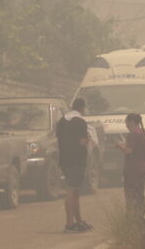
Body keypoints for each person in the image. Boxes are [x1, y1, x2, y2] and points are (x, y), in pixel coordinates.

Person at [56, 97, 94, 233]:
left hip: (64, 160)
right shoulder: (80, 122)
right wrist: (89, 140)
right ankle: (69, 223)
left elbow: (59, 139)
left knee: (75, 189)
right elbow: (82, 142)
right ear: (82, 108)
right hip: (77, 160)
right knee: (71, 190)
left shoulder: (61, 121)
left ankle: (79, 220)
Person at [115, 113, 145, 217]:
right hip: (143, 167)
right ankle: (141, 217)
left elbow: (129, 151)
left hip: (133, 169)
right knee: (140, 195)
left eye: (127, 123)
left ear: (132, 122)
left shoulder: (133, 134)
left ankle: (132, 218)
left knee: (131, 196)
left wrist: (120, 146)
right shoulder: (144, 133)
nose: (126, 125)